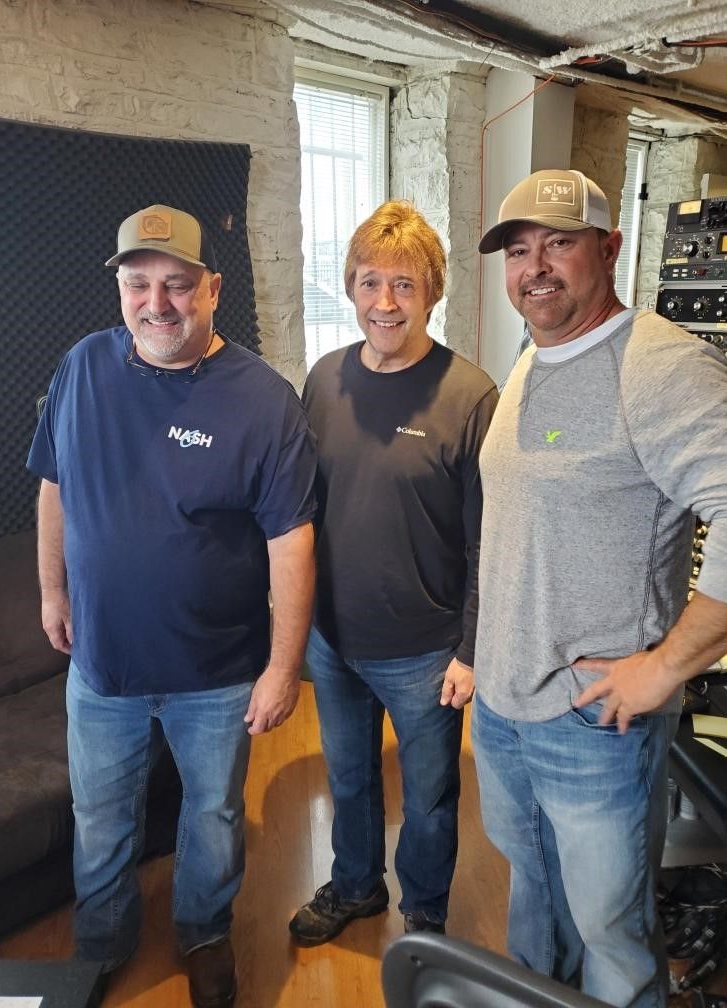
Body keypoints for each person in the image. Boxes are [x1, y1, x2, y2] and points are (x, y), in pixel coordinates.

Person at [26, 204, 317, 1008]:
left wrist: (283, 668)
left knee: (214, 816)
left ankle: (204, 931)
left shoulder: (263, 399)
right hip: (103, 664)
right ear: (120, 289)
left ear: (213, 288)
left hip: (216, 672)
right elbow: (53, 486)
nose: (157, 303)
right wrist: (52, 590)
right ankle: (102, 945)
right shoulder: (82, 367)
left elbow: (292, 542)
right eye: (138, 283)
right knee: (100, 817)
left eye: (178, 284)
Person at [473, 169, 727, 1007]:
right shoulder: (533, 353)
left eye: (559, 243)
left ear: (610, 249)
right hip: (506, 705)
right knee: (535, 900)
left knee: (611, 938)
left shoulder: (657, 364)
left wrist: (667, 666)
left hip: (593, 722)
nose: (535, 268)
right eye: (518, 250)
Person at [288, 200, 498, 946]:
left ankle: (426, 915)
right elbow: (302, 509)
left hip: (425, 649)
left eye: (405, 285)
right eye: (371, 282)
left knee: (431, 797)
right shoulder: (324, 380)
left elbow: (489, 541)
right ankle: (356, 886)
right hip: (333, 639)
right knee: (347, 777)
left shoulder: (470, 396)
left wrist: (470, 650)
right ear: (350, 286)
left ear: (432, 292)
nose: (385, 302)